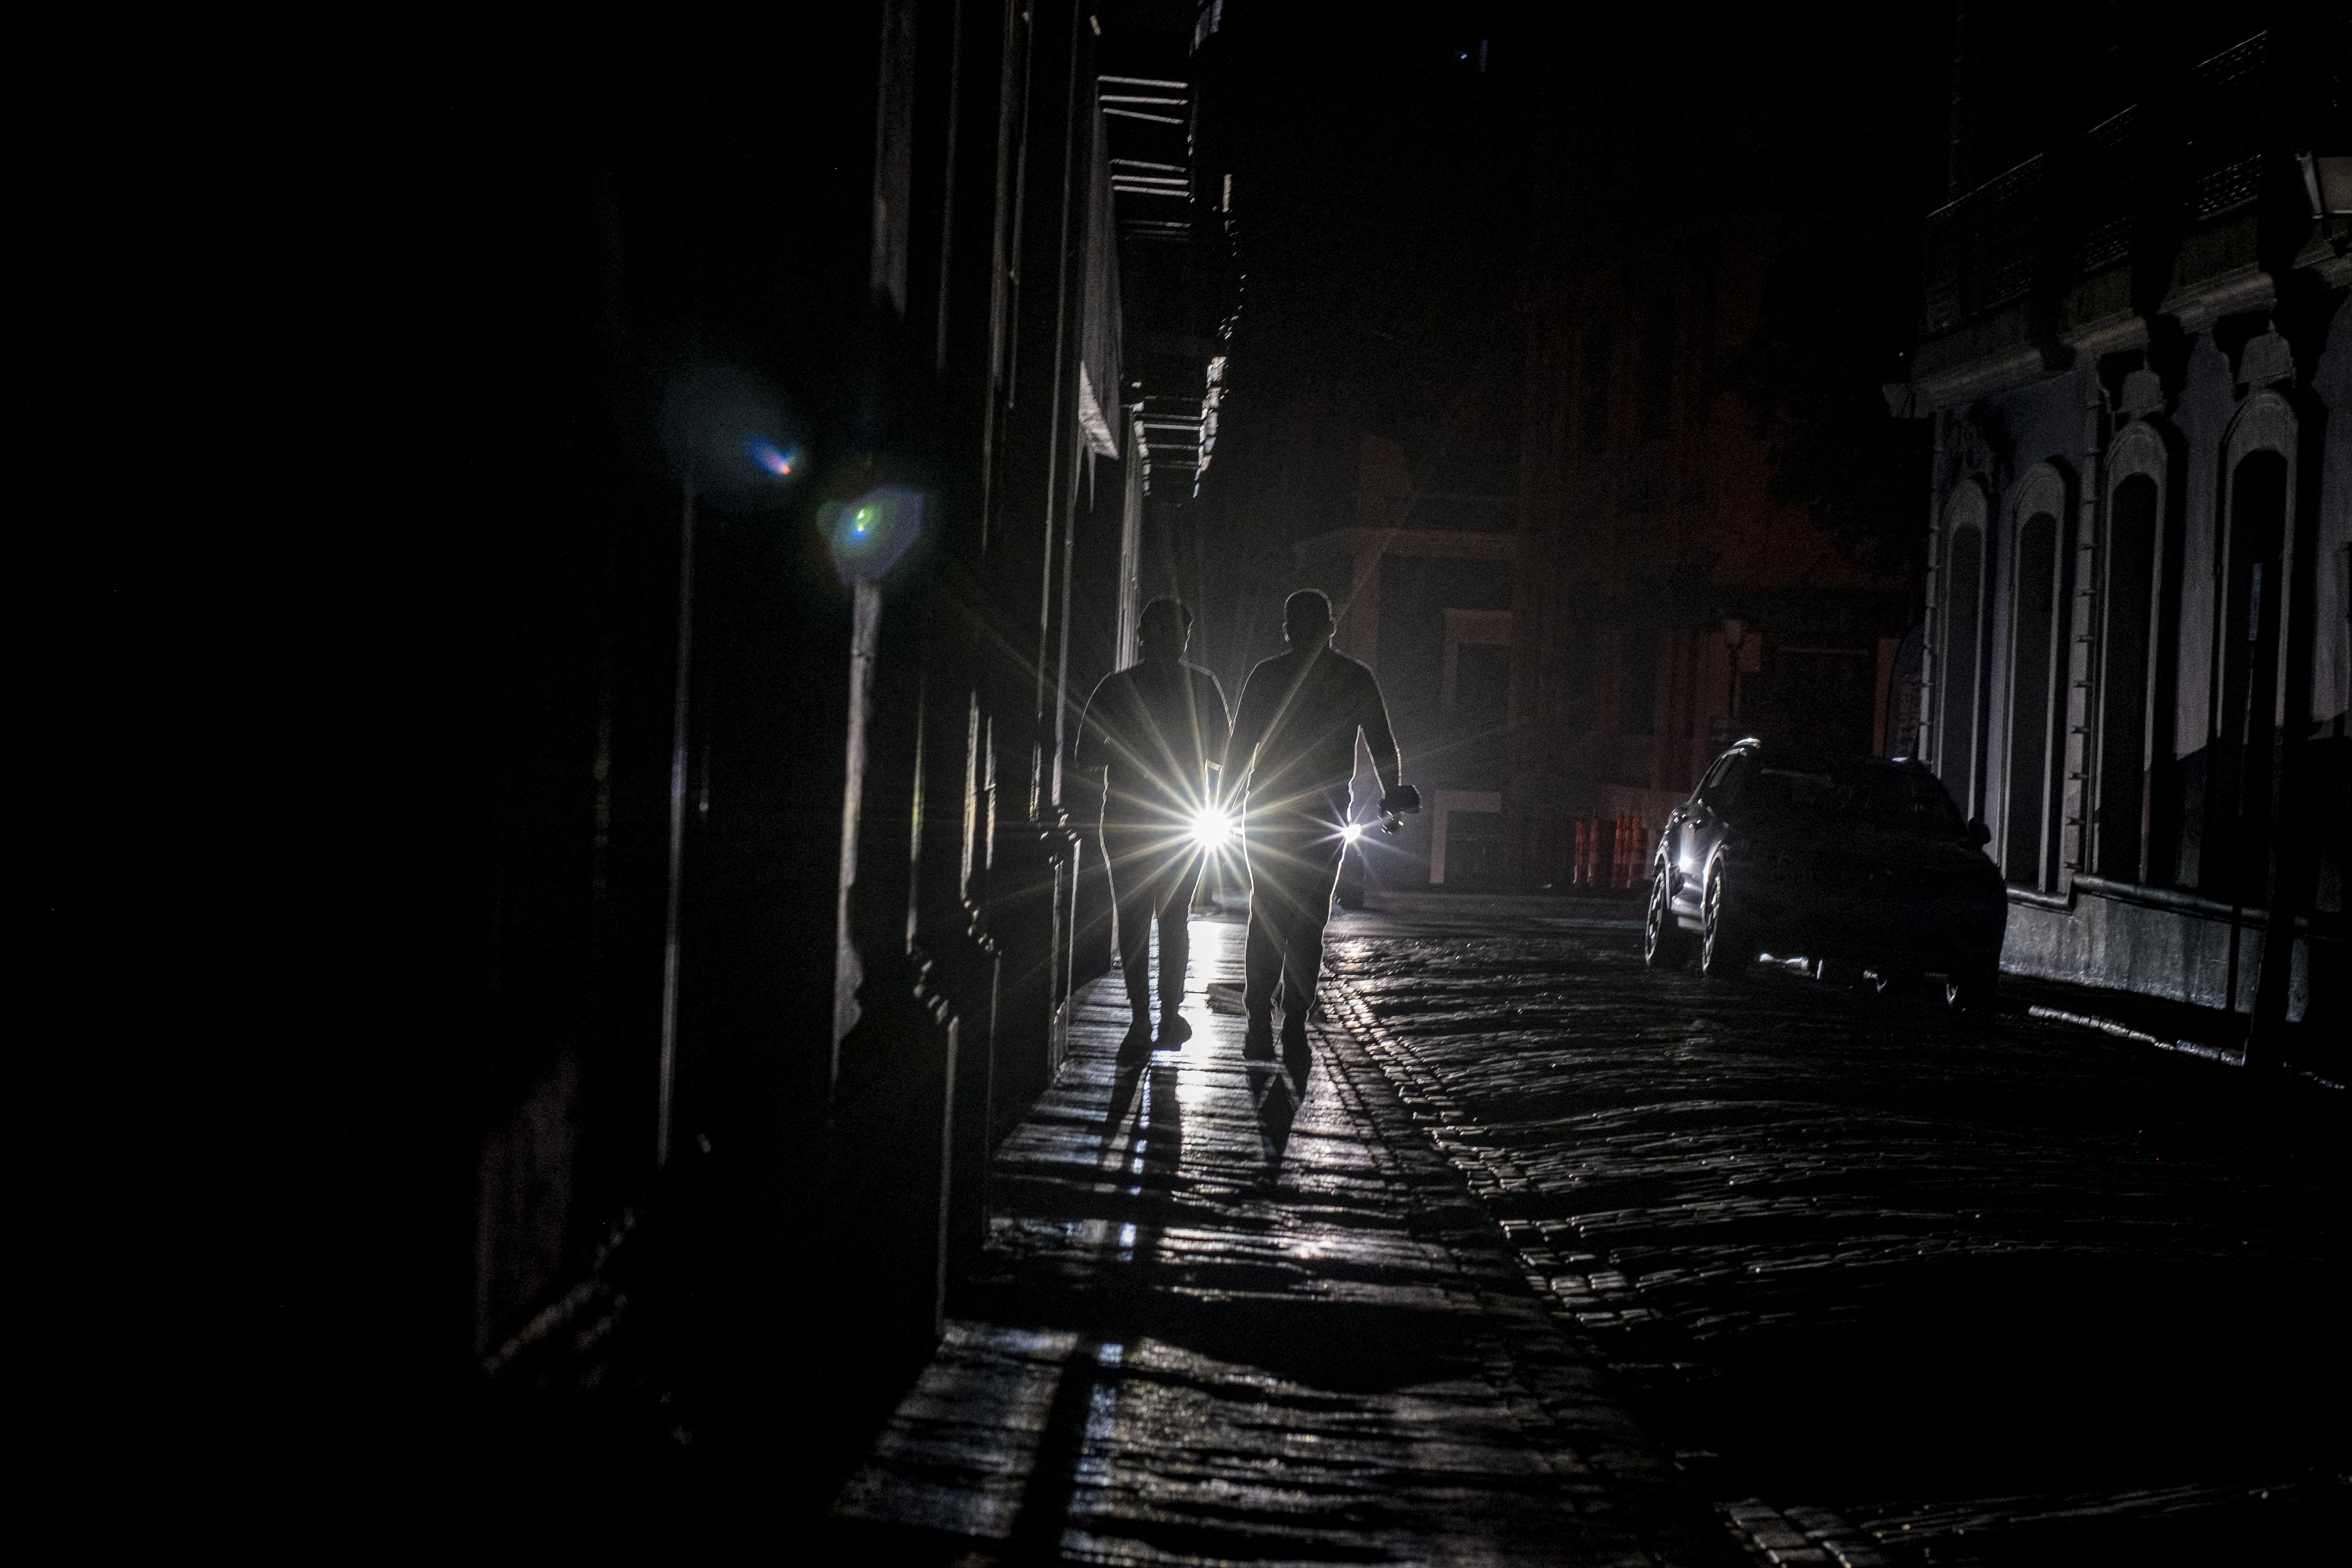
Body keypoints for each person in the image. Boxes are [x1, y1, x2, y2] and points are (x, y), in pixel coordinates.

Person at [1224, 589, 1406, 1058]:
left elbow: (1240, 749)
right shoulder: (1353, 677)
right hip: (1323, 814)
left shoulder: (1267, 676)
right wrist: (1391, 799)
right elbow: (1382, 744)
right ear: (1331, 626)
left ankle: (1261, 1019)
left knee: (1267, 912)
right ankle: (1294, 1020)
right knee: (1308, 919)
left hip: (1267, 812)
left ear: (1289, 629)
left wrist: (1222, 801)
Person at [1073, 597, 1232, 1045]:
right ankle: (1168, 1016)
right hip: (1184, 816)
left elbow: (1085, 755)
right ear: (1182, 640)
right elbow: (1225, 753)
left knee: (1134, 919)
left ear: (1141, 636)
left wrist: (1128, 751)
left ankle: (1141, 1017)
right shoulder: (1203, 686)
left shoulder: (1115, 687)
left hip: (1126, 817)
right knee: (1175, 919)